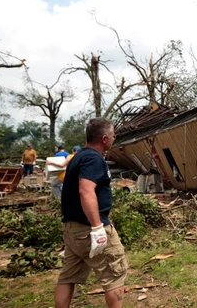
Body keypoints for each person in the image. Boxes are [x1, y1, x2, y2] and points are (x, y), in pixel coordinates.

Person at [54, 118, 127, 308]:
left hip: (72, 229)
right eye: (113, 135)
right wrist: (97, 227)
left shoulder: (78, 156)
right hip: (89, 228)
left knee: (68, 276)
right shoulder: (94, 158)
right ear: (104, 138)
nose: (114, 138)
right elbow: (85, 190)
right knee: (114, 273)